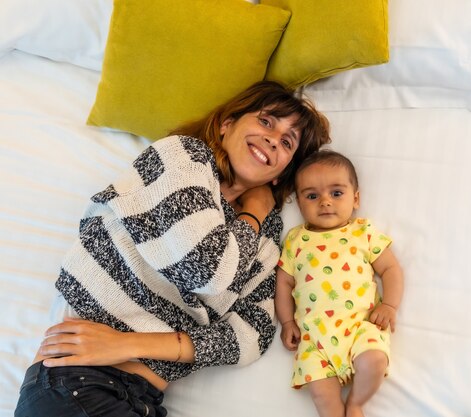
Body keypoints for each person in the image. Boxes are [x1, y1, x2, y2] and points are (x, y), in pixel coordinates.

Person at [14, 80, 331, 417]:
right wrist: (253, 212)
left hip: (143, 399)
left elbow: (253, 335)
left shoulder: (266, 240)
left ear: (281, 173)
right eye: (266, 121)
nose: (272, 138)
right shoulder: (182, 158)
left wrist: (130, 344)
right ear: (227, 125)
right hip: (77, 384)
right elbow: (204, 270)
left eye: (286, 142)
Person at [275, 150, 404, 417]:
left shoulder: (362, 232)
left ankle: (357, 402)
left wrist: (390, 304)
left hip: (360, 326)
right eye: (312, 196)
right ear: (299, 204)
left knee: (375, 360)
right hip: (315, 340)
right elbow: (284, 283)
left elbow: (391, 268)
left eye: (336, 193)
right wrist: (287, 321)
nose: (325, 202)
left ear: (355, 198)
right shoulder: (295, 239)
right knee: (322, 394)